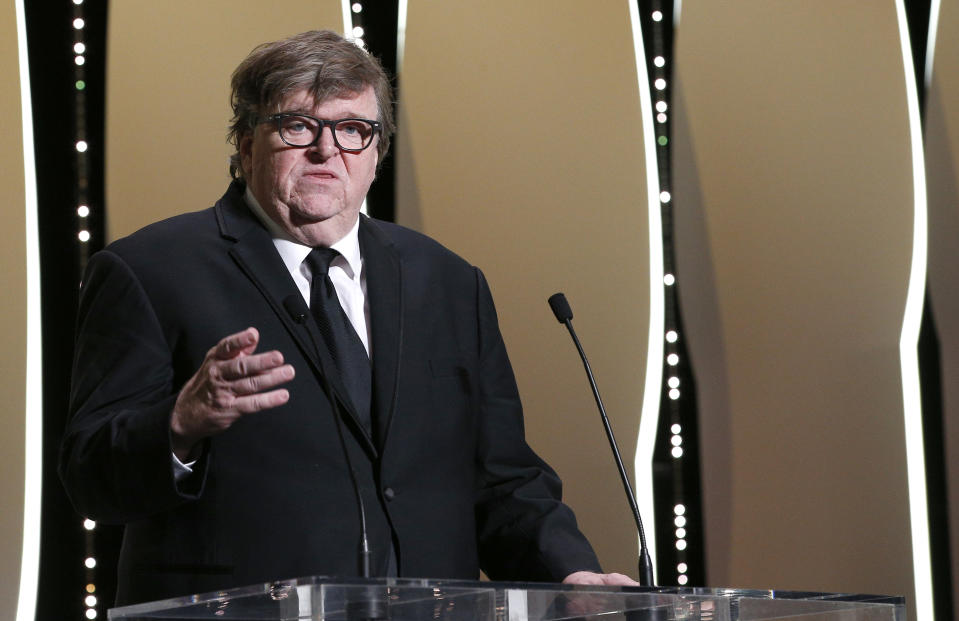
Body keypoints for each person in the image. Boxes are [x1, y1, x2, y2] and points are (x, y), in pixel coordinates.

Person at [59, 29, 635, 606]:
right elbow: (89, 475)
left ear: (377, 154)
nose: (326, 150)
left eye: (352, 130)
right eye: (297, 125)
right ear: (245, 144)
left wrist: (569, 573)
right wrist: (180, 425)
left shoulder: (448, 282)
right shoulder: (151, 270)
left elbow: (501, 477)